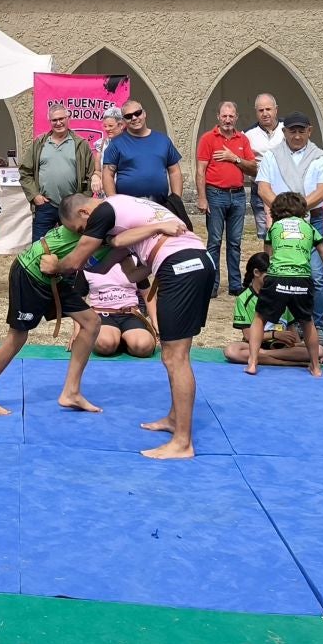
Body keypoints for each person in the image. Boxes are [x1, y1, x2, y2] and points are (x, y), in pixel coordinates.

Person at [55, 192, 217, 456]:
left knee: (176, 358)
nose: (86, 234)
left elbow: (74, 261)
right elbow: (106, 265)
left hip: (180, 265)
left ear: (85, 213)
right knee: (172, 355)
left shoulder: (104, 211)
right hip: (194, 261)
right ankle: (175, 419)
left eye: (81, 230)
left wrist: (54, 264)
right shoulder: (125, 213)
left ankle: (183, 443)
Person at [0, 193, 106, 417]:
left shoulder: (102, 215)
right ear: (84, 213)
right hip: (31, 273)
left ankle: (71, 392)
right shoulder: (102, 219)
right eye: (79, 228)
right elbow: (117, 243)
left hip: (52, 275)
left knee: (91, 322)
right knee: (18, 336)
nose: (81, 231)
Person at [255, 113, 323, 344]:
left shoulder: (321, 157)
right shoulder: (271, 156)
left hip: (312, 218)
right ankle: (279, 323)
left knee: (316, 275)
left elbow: (322, 191)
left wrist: (296, 211)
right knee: (278, 271)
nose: (297, 135)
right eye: (292, 131)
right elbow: (263, 189)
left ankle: (318, 325)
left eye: (301, 131)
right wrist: (285, 212)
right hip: (281, 222)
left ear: (309, 131)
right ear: (284, 132)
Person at [242, 191, 323, 376]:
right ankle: (315, 366)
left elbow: (268, 256)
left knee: (259, 318)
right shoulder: (309, 228)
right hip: (302, 279)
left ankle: (252, 361)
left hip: (277, 278)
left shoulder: (274, 229)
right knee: (307, 322)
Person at [196, 100, 258, 297]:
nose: (228, 120)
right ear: (218, 117)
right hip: (215, 194)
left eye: (231, 116)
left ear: (236, 118)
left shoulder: (243, 140)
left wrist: (234, 158)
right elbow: (200, 171)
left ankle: (234, 284)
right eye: (224, 116)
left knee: (235, 243)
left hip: (238, 195)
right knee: (214, 242)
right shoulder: (208, 138)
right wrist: (202, 198)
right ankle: (212, 285)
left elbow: (253, 168)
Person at [19, 104, 94, 241]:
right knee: (40, 247)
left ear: (68, 118)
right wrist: (35, 195)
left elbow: (90, 174)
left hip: (72, 208)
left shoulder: (81, 144)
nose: (58, 123)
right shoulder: (40, 143)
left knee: (71, 247)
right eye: (54, 120)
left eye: (61, 118)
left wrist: (82, 200)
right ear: (50, 121)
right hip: (45, 206)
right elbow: (25, 172)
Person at [101, 101, 185, 223]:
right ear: (124, 121)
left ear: (144, 114)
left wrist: (176, 200)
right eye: (129, 116)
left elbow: (175, 171)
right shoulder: (116, 144)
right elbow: (107, 175)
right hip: (128, 209)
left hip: (160, 208)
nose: (134, 118)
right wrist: (115, 203)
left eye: (137, 113)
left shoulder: (163, 140)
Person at [224, 252, 303, 366]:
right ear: (256, 273)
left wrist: (298, 345)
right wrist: (275, 335)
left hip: (281, 347)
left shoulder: (282, 294)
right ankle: (288, 362)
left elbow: (291, 330)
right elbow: (248, 336)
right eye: (269, 275)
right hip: (256, 345)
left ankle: (263, 357)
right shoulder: (244, 298)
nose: (273, 279)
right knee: (231, 351)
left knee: (318, 350)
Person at [86, 257, 156, 359]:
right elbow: (79, 298)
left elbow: (147, 294)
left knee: (144, 347)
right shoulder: (87, 263)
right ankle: (115, 340)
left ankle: (125, 340)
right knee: (105, 345)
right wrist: (78, 329)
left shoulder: (134, 260)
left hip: (130, 313)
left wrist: (155, 321)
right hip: (102, 314)